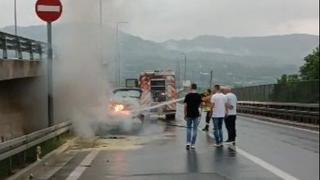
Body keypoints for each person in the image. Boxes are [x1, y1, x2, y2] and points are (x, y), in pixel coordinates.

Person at [184, 83, 202, 150]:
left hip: (189, 114)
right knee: (195, 129)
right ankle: (193, 144)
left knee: (188, 128)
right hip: (196, 114)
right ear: (196, 88)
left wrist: (185, 114)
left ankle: (188, 143)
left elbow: (185, 106)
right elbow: (200, 105)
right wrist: (200, 112)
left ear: (191, 88)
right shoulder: (199, 96)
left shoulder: (187, 95)